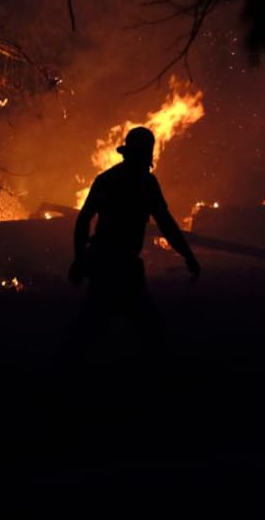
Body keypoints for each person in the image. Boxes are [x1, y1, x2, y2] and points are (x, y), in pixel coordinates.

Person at [66, 126, 200, 363]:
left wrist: (79, 259)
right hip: (119, 265)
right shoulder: (145, 183)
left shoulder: (108, 180)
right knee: (143, 327)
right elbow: (166, 224)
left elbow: (84, 219)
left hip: (108, 263)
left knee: (96, 325)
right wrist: (188, 256)